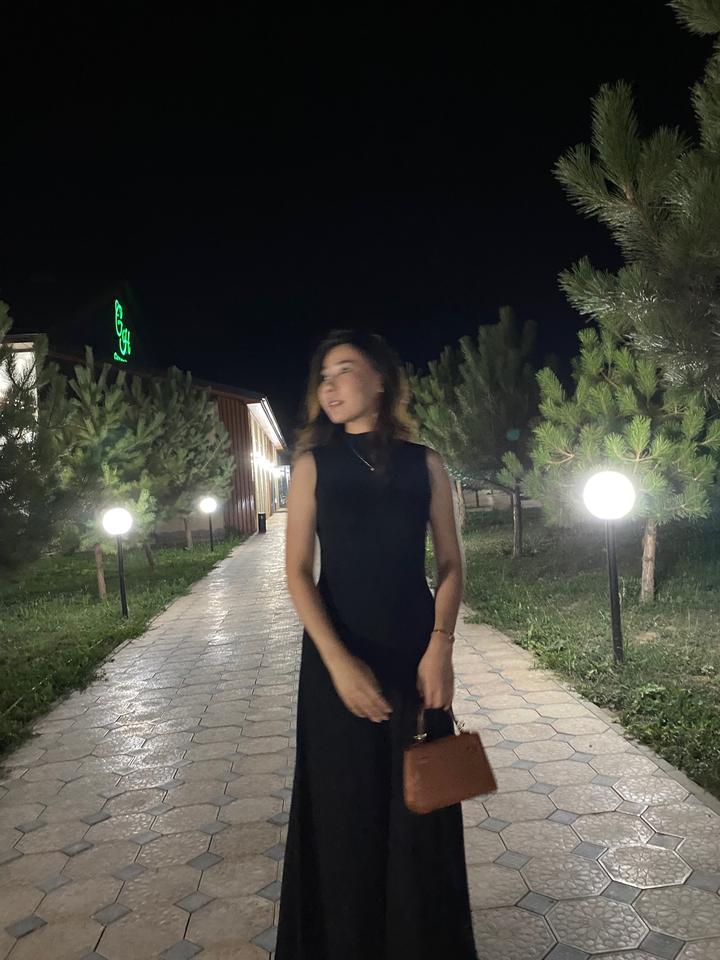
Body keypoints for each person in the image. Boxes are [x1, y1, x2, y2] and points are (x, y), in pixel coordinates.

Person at [275, 329, 478, 960]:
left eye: (343, 370)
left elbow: (451, 563)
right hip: (337, 657)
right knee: (344, 809)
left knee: (421, 797)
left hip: (415, 653)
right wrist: (338, 663)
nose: (329, 386)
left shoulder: (426, 464)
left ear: (381, 379)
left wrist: (440, 647)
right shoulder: (312, 466)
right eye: (322, 376)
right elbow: (297, 573)